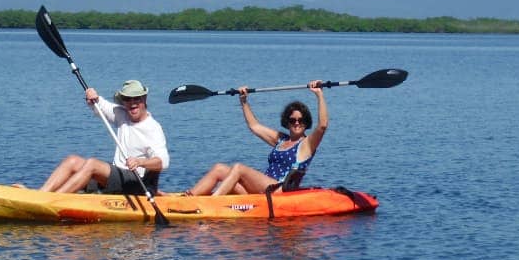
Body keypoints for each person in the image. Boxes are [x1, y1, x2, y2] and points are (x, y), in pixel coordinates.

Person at [184, 80, 328, 196]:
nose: (297, 123)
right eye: (292, 120)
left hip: (278, 191)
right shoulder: (281, 140)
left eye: (301, 120)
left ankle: (213, 202)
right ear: (287, 122)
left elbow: (322, 126)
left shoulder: (307, 144)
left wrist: (319, 94)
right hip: (262, 190)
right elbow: (254, 126)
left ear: (306, 122)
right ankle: (190, 197)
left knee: (239, 168)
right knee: (219, 168)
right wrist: (244, 101)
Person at [34, 80, 169, 195]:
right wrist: (93, 97)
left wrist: (140, 162)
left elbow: (162, 162)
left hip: (139, 183)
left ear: (144, 99)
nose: (132, 103)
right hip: (119, 177)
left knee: (92, 164)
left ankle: (55, 199)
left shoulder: (153, 128)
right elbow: (101, 105)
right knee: (72, 160)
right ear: (123, 101)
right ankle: (41, 195)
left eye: (136, 98)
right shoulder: (122, 114)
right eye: (128, 99)